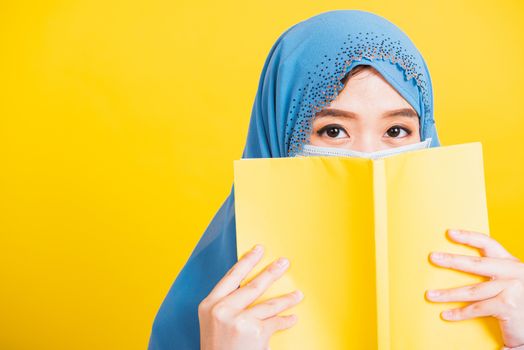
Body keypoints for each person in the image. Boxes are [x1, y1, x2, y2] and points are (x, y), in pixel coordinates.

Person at [148, 10, 524, 350]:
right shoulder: (213, 321)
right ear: (278, 138)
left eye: (395, 130)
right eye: (332, 131)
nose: (367, 157)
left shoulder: (492, 297)